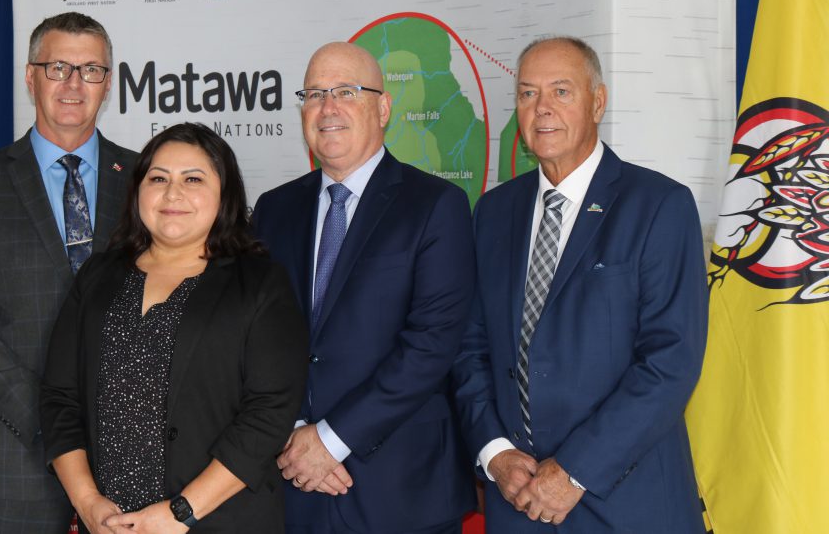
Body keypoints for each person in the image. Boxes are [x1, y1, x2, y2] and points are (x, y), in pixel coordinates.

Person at [450, 37, 707, 532]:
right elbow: (469, 348)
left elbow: (670, 361)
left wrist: (574, 472)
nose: (542, 109)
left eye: (561, 91)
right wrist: (496, 453)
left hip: (624, 503)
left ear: (598, 101)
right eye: (527, 94)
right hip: (517, 500)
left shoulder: (658, 205)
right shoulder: (493, 213)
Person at [251, 42, 476, 534]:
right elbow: (253, 338)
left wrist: (330, 441)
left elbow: (431, 345)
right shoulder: (272, 210)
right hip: (292, 486)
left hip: (400, 491)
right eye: (313, 94)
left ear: (383, 107)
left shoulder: (437, 205)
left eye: (346, 92)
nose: (327, 108)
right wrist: (293, 437)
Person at [41, 122, 308, 533]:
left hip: (215, 521)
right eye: (158, 178)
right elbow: (59, 398)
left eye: (194, 179)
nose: (172, 193)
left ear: (225, 194)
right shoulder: (98, 275)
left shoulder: (259, 284)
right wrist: (88, 502)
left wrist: (181, 512)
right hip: (107, 524)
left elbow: (268, 414)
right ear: (138, 191)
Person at [0, 12, 137, 532]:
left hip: (135, 455)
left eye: (91, 70)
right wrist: (53, 421)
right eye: (58, 68)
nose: (74, 84)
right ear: (30, 77)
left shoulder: (148, 181)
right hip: (17, 455)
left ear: (108, 83)